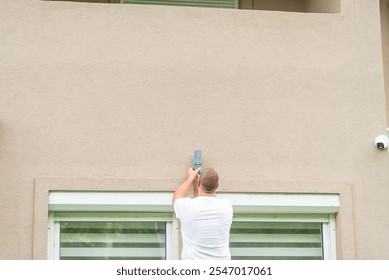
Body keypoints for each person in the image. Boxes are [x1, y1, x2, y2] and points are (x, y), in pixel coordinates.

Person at [172, 167, 233, 260]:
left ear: (199, 183)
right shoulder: (226, 207)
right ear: (217, 185)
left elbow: (177, 197)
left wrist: (190, 178)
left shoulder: (188, 207)